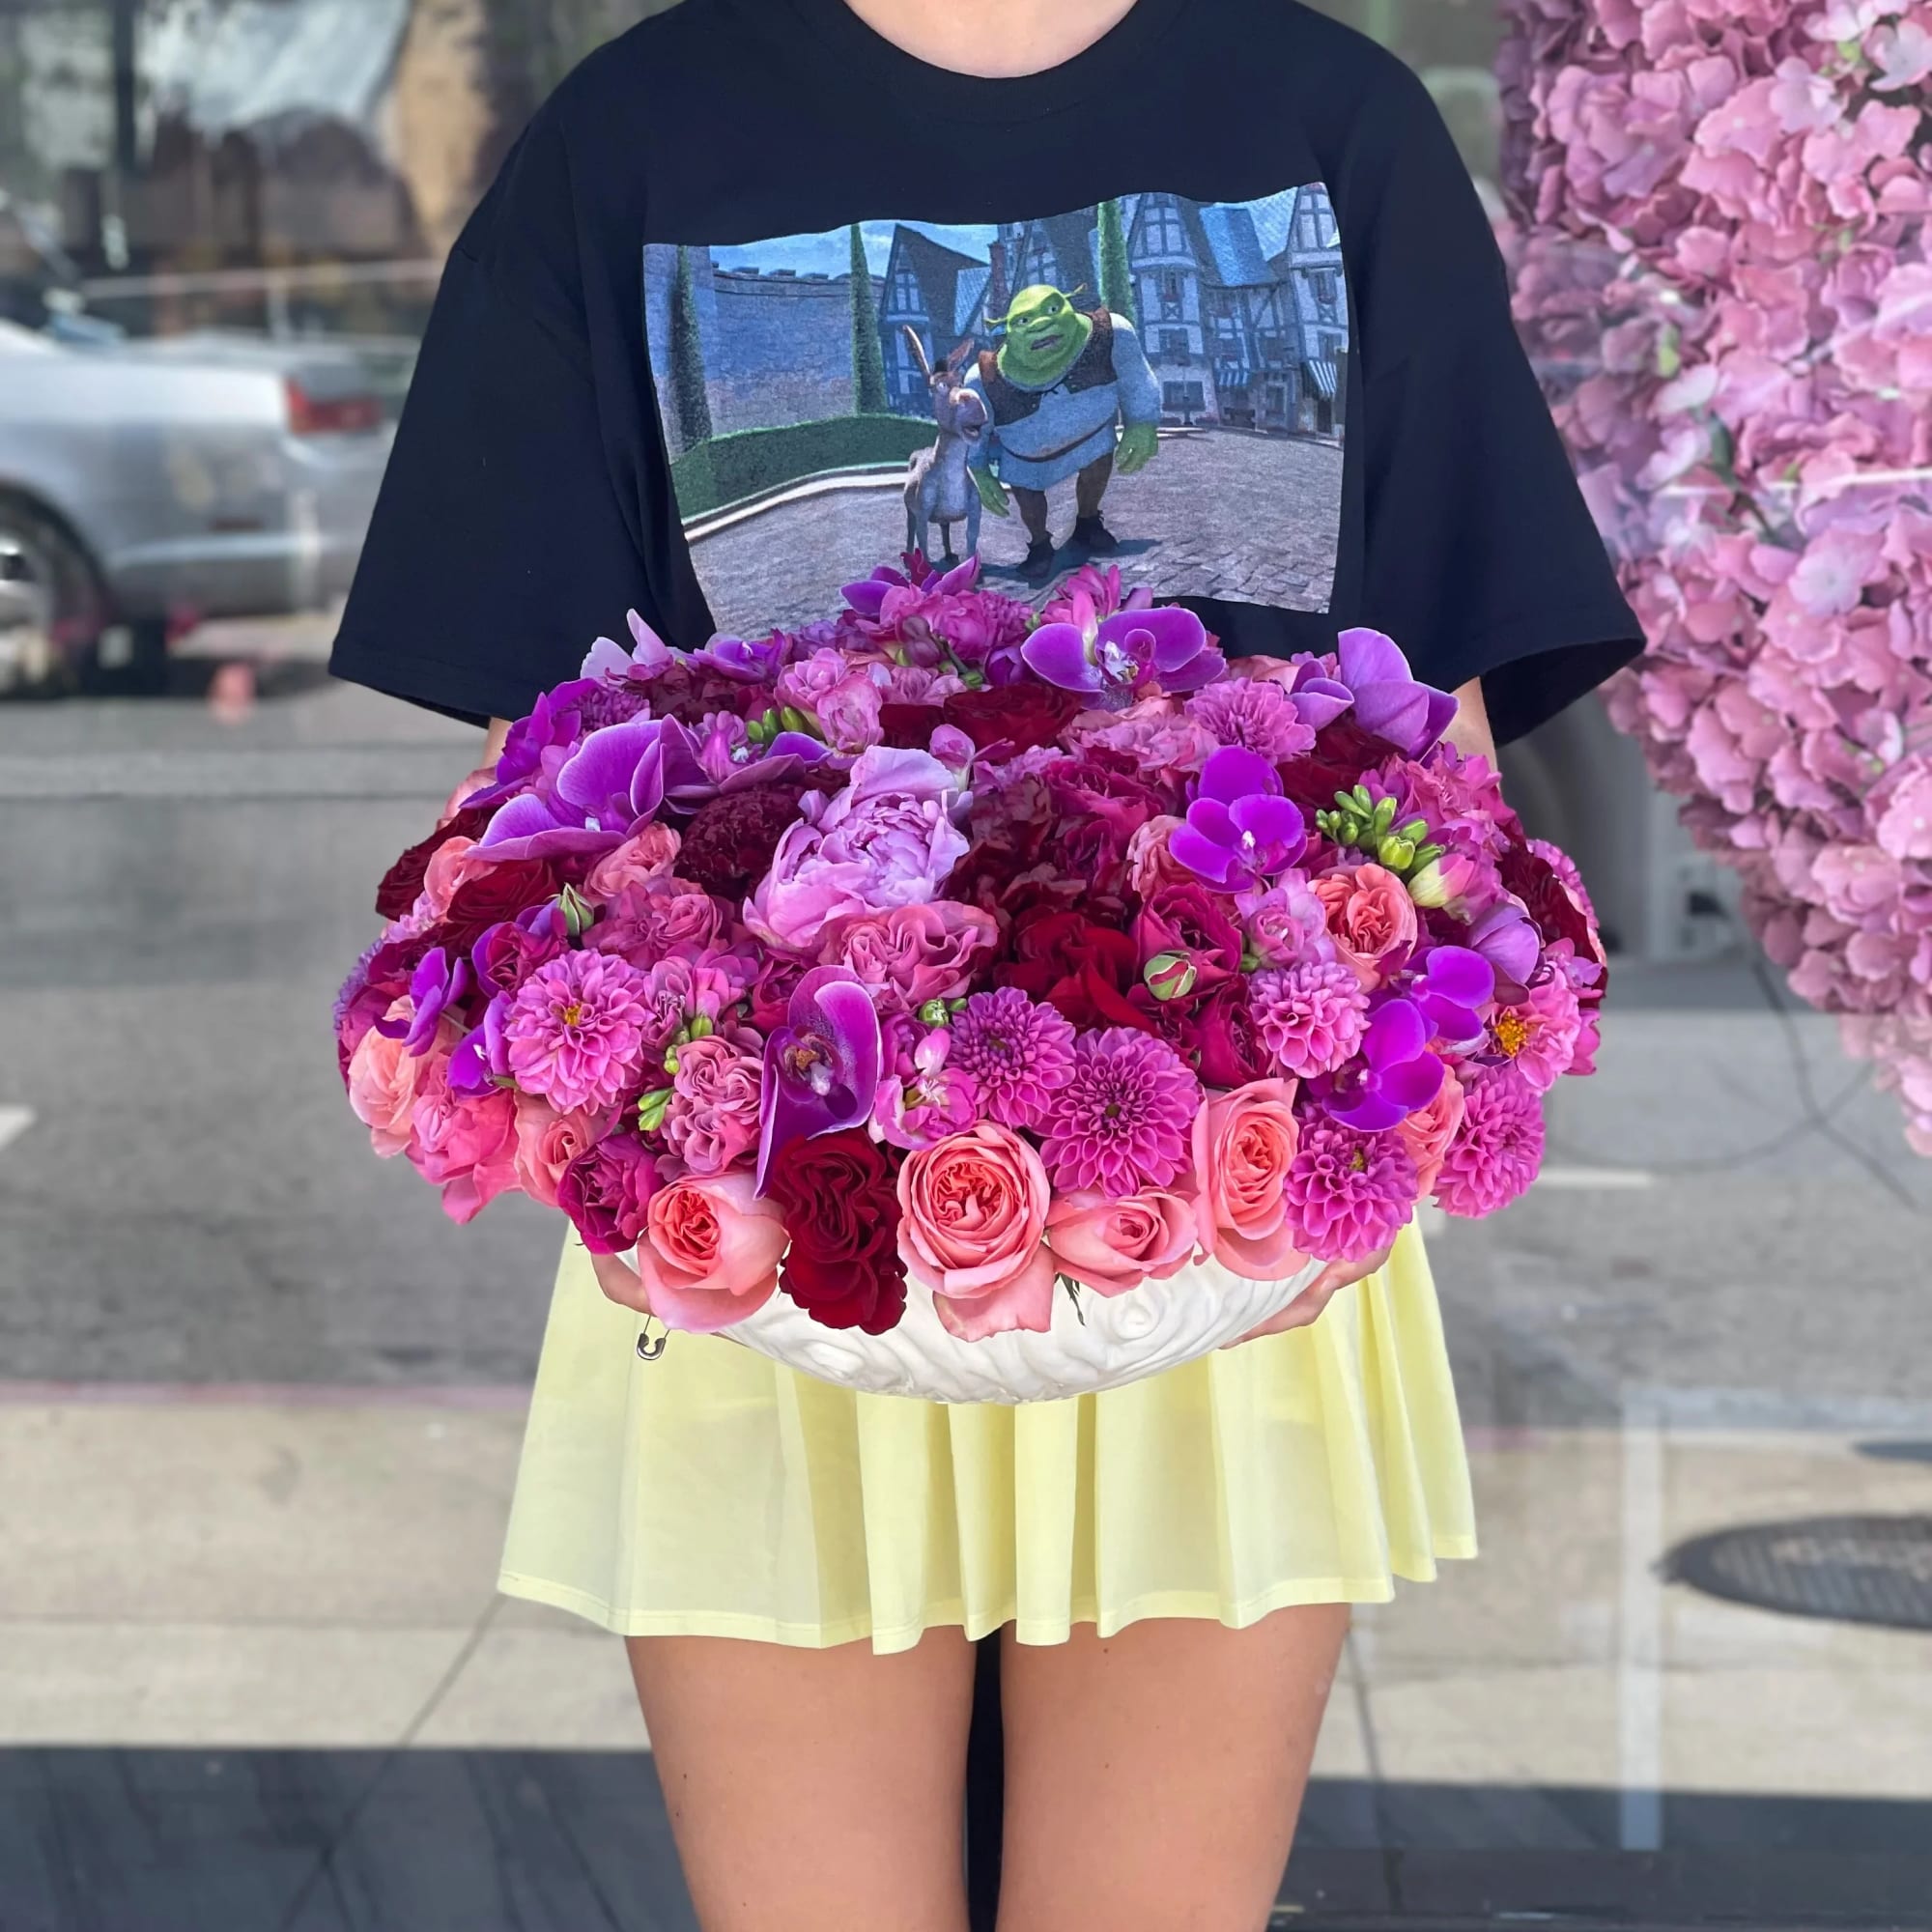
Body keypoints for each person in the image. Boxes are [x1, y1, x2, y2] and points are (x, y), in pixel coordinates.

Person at [328, 0, 1643, 1925]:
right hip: (765, 1242)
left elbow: (1437, 784)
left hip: (1233, 1245)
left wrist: (1402, 1121)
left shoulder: (1325, 124)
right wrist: (590, 1101)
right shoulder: (635, 144)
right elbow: (528, 818)